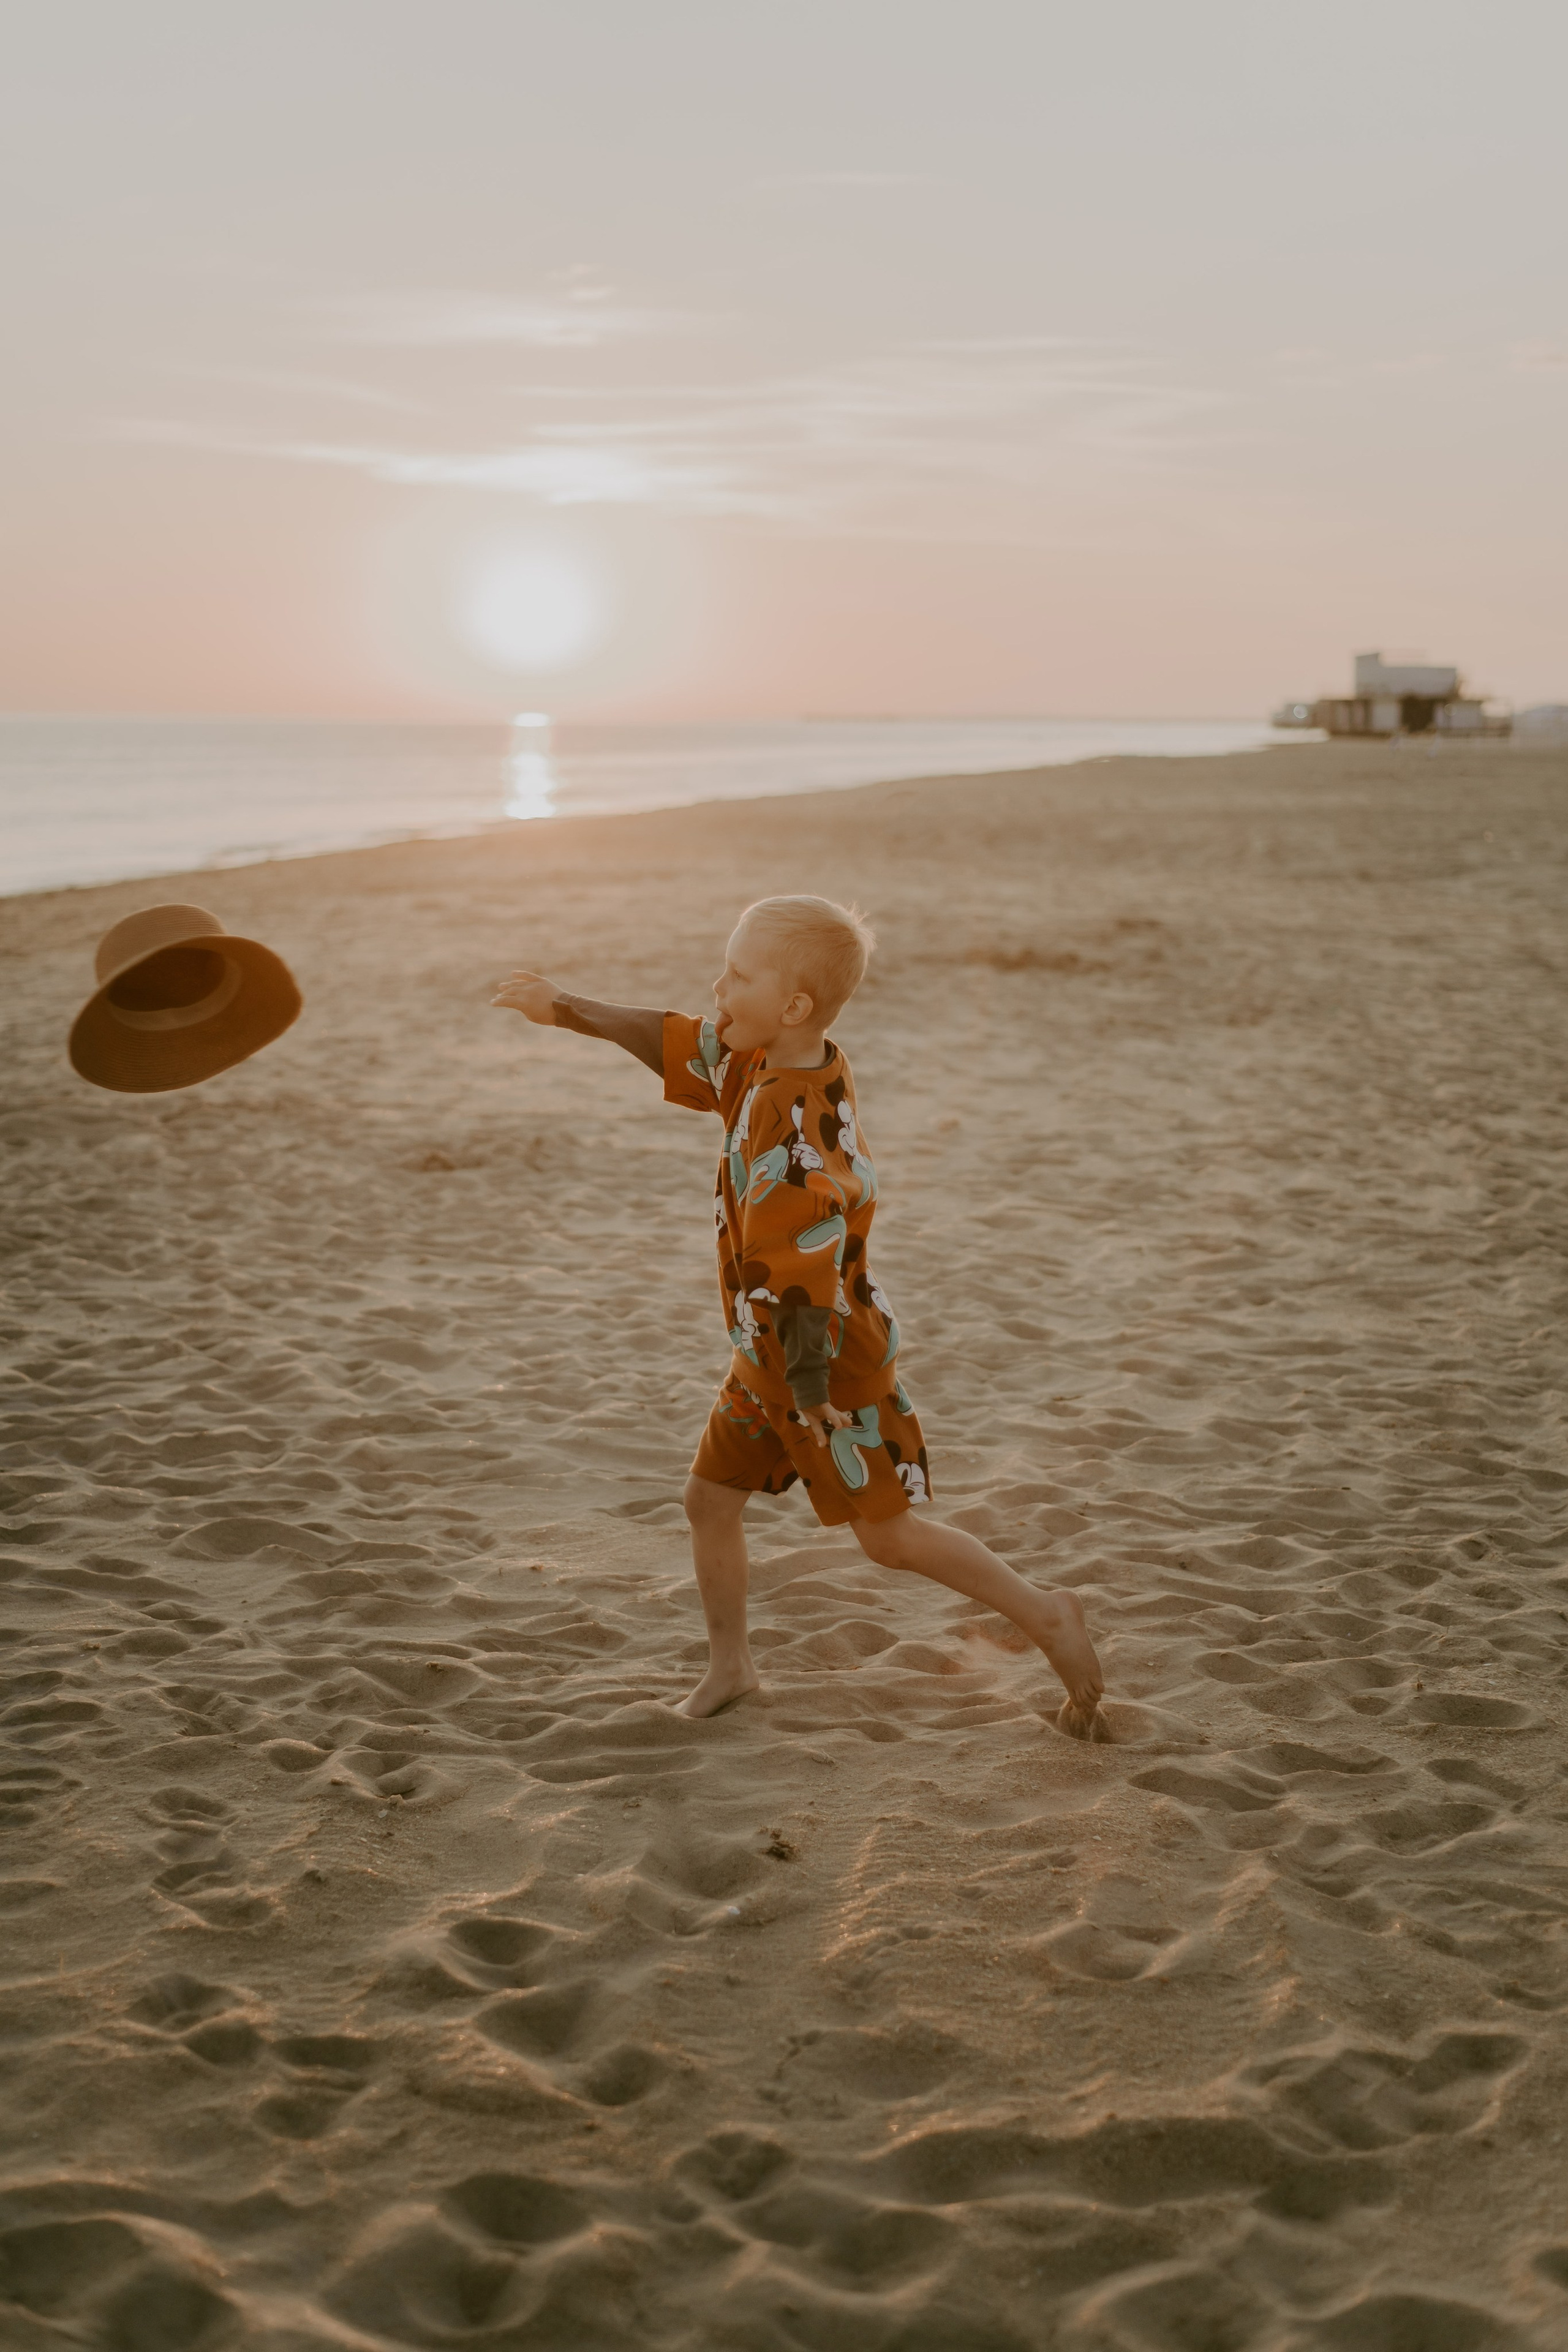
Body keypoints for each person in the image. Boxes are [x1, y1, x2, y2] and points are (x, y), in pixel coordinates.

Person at [491, 894, 1105, 1736]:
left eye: (738, 976)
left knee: (889, 1541)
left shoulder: (791, 1122)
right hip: (766, 1354)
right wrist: (564, 1007)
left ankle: (1044, 1614)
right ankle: (732, 1667)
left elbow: (803, 1265)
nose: (718, 986)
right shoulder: (769, 1060)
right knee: (709, 1500)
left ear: (794, 1006)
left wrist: (813, 1385)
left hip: (821, 1363)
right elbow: (677, 1039)